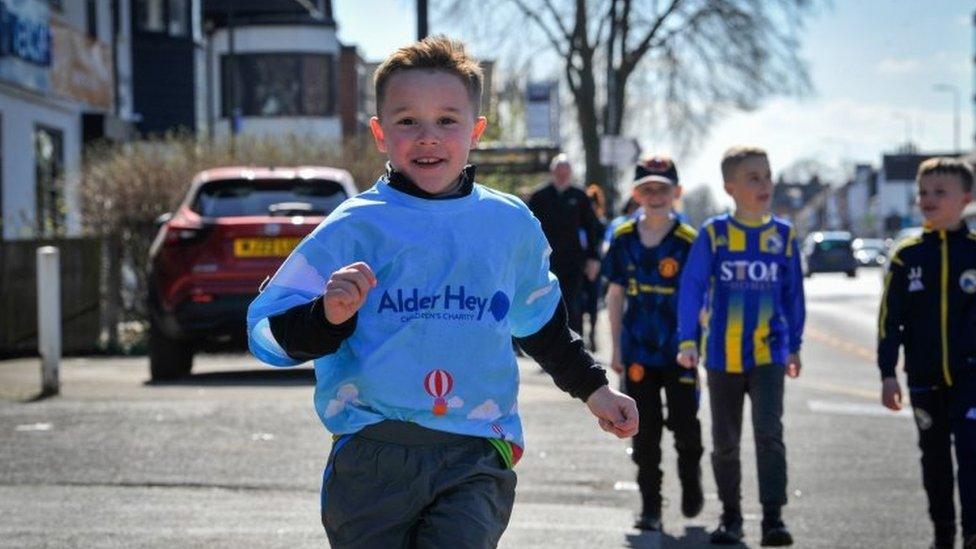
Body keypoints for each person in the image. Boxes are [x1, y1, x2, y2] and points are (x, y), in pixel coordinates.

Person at [245, 36, 638, 548]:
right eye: (407, 121)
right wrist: (327, 316)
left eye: (447, 121)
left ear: (475, 131)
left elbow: (540, 324)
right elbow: (264, 336)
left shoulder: (509, 224)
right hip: (373, 454)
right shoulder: (353, 227)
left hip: (476, 452)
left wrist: (595, 389)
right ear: (381, 134)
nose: (427, 137)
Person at [676, 146, 805, 547]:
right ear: (730, 186)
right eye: (753, 178)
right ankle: (731, 517)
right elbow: (692, 288)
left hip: (769, 354)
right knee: (725, 442)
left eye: (767, 176)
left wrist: (795, 345)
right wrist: (687, 340)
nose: (764, 184)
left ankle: (773, 518)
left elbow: (793, 295)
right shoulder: (714, 235)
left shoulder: (783, 236)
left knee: (769, 434)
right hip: (721, 356)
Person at [877, 157, 976, 549]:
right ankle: (943, 531)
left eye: (939, 192)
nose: (928, 199)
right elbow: (890, 320)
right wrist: (887, 372)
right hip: (924, 379)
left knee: (971, 455)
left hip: (971, 379)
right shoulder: (907, 256)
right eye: (923, 192)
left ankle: (972, 531)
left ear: (966, 198)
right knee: (934, 460)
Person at [603, 156, 704, 532]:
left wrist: (696, 341)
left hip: (680, 350)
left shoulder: (689, 242)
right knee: (644, 432)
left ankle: (691, 478)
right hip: (638, 352)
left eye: (663, 189)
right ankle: (651, 506)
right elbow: (614, 294)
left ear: (676, 193)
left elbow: (701, 297)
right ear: (636, 194)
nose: (656, 195)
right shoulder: (624, 238)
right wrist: (615, 347)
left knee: (685, 426)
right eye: (648, 189)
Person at [528, 154, 604, 335]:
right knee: (546, 305)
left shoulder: (580, 197)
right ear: (552, 173)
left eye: (566, 173)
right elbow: (528, 230)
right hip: (545, 262)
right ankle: (548, 349)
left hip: (573, 262)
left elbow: (591, 228)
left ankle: (576, 347)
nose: (562, 176)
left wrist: (593, 258)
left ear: (570, 174)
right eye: (558, 172)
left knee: (573, 304)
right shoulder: (539, 197)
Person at [582, 184, 608, 351]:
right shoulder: (580, 222)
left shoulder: (601, 223)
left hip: (596, 266)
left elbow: (600, 246)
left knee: (593, 303)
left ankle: (592, 333)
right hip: (580, 266)